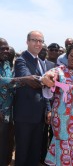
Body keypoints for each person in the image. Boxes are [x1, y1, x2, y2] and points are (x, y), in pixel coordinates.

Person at [0, 37, 42, 166]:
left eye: (7, 48)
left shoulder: (6, 63)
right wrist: (25, 79)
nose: (6, 51)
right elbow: (3, 81)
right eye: (2, 48)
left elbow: (11, 83)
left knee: (5, 146)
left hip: (9, 113)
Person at [14, 31, 51, 166]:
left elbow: (45, 90)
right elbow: (30, 80)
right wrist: (45, 80)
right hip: (24, 115)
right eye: (34, 40)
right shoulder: (21, 60)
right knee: (23, 153)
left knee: (34, 153)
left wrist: (48, 109)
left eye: (41, 41)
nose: (38, 43)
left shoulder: (42, 62)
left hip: (39, 116)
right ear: (27, 42)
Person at [38, 44, 56, 164]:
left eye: (45, 50)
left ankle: (45, 157)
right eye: (42, 50)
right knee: (40, 134)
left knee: (49, 133)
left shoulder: (52, 66)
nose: (43, 52)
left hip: (52, 104)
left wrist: (50, 108)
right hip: (38, 104)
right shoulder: (34, 64)